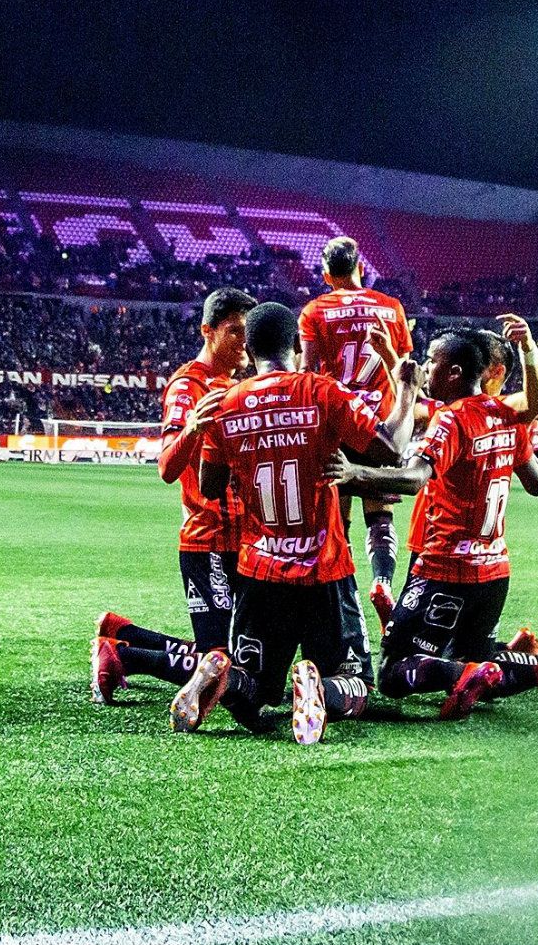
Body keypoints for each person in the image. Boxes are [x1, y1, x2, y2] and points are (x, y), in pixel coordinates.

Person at [171, 301, 417, 745]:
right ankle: (321, 688)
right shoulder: (323, 392)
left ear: (249, 349)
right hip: (324, 570)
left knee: (256, 690)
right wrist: (406, 391)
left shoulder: (226, 404)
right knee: (356, 681)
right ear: (296, 349)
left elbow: (210, 487)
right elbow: (392, 448)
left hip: (259, 572)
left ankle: (223, 675)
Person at [327, 329, 538, 718]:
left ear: (455, 372)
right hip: (494, 571)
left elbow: (414, 478)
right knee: (476, 658)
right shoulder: (506, 415)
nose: (426, 368)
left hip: (446, 566)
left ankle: (471, 672)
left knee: (392, 673)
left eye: (432, 362)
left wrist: (355, 473)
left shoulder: (452, 418)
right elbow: (536, 482)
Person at [95, 287, 257, 702]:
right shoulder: (188, 386)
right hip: (209, 540)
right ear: (207, 331)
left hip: (246, 542)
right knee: (224, 667)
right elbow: (167, 467)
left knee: (241, 659)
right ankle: (124, 655)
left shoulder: (236, 385)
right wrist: (193, 429)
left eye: (248, 332)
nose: (244, 341)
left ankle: (123, 635)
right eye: (234, 331)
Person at [298, 237, 414, 622]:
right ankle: (382, 582)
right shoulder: (391, 307)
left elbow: (307, 371)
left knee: (338, 515)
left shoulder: (315, 311)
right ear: (360, 267)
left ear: (326, 275)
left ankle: (344, 596)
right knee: (380, 513)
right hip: (380, 423)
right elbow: (402, 369)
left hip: (336, 419)